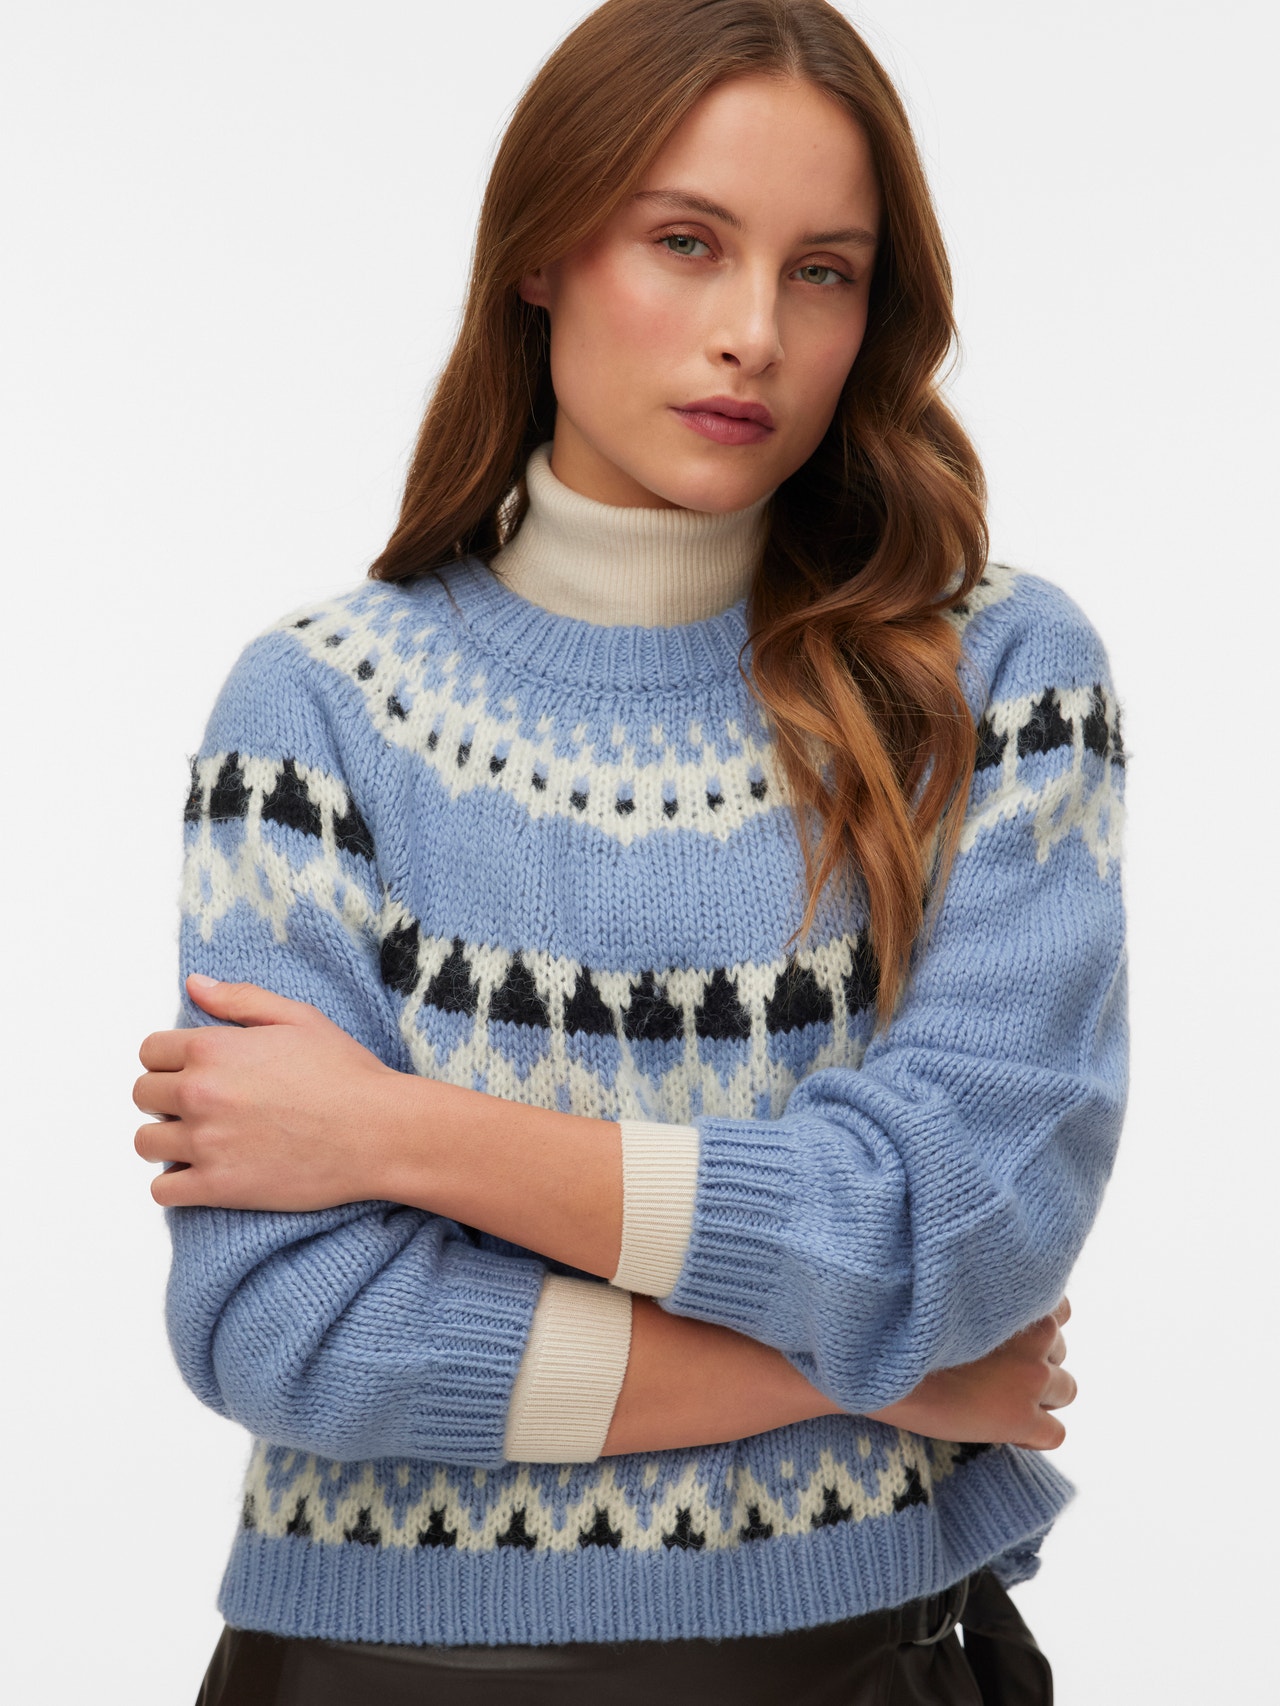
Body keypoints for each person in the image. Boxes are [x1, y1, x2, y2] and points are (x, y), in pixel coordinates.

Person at [133, 1, 1128, 1700]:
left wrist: (400, 1132)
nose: (754, 332)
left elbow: (959, 1237)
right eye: (687, 241)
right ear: (543, 250)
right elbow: (289, 1330)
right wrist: (873, 1370)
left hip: (863, 1665)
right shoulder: (317, 706)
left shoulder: (992, 680)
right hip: (376, 1674)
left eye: (823, 271)